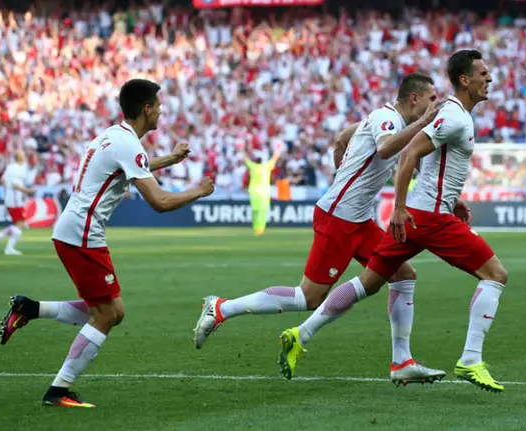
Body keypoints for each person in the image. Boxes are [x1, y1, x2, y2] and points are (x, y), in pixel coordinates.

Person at [193, 73, 447, 386]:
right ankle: (221, 308)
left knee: (403, 274)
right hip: (339, 218)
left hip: (358, 219)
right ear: (415, 98)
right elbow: (384, 149)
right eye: (431, 98)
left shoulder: (383, 120)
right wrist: (422, 124)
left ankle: (402, 361)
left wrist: (345, 172)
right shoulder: (385, 117)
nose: (434, 104)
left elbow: (341, 139)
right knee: (308, 297)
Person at [278, 50, 508, 392]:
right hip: (429, 217)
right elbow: (409, 153)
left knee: (370, 282)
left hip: (421, 213)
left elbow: (423, 159)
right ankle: (471, 359)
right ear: (465, 80)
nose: (489, 78)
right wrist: (400, 207)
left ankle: (301, 333)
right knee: (496, 275)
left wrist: (448, 198)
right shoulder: (454, 116)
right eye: (483, 73)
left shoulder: (453, 114)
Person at [0, 78, 215, 408]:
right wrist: (198, 191)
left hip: (76, 231)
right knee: (105, 316)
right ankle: (59, 390)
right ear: (146, 109)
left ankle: (29, 308)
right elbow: (159, 202)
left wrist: (169, 160)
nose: (161, 111)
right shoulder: (128, 144)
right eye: (158, 105)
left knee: (115, 311)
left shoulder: (114, 136)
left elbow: (129, 168)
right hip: (82, 235)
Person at [0, 150, 36, 255]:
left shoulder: (11, 167)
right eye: (23, 154)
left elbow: (2, 180)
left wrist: (8, 187)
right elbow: (16, 185)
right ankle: (9, 248)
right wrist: (28, 191)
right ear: (19, 157)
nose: (24, 156)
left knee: (17, 224)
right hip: (15, 200)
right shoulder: (15, 169)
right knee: (21, 224)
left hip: (11, 198)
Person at [244, 148, 280, 236]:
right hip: (264, 191)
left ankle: (257, 228)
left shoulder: (253, 166)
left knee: (256, 211)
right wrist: (277, 149)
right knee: (263, 210)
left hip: (255, 191)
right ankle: (260, 228)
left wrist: (241, 149)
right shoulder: (266, 166)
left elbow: (246, 159)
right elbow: (275, 158)